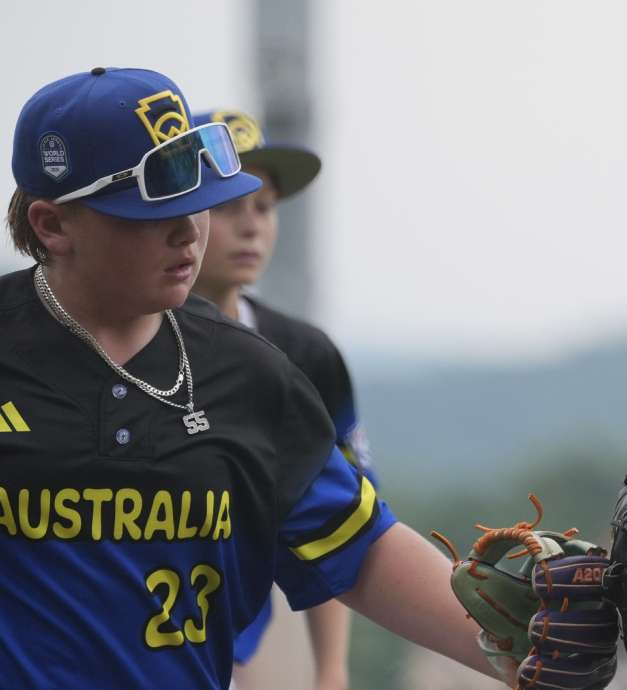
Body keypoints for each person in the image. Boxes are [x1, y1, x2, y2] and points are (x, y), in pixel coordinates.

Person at [0, 67, 511, 689]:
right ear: (53, 225)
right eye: (150, 211)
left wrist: (528, 651)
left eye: (198, 201)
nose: (189, 230)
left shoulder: (251, 371)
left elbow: (362, 549)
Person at [186, 108, 368, 690]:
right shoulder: (120, 338)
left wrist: (331, 670)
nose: (251, 226)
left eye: (263, 207)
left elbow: (343, 524)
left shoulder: (304, 355)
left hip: (237, 641)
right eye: (226, 205)